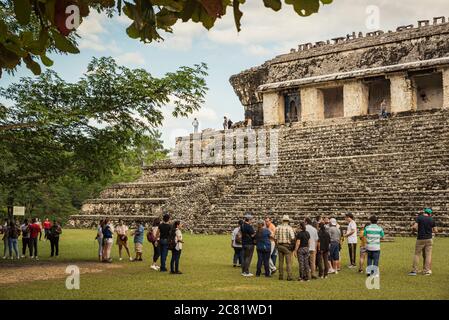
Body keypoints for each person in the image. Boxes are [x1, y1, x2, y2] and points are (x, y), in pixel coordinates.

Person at [409, 208, 437, 276]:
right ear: (430, 213)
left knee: (417, 254)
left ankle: (414, 271)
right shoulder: (432, 219)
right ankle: (426, 270)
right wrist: (429, 231)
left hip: (420, 238)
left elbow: (415, 227)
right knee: (428, 255)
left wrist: (415, 231)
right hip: (429, 239)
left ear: (424, 212)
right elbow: (436, 230)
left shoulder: (419, 218)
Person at [275, 215, 295, 281]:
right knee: (288, 262)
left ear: (282, 220)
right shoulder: (289, 228)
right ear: (288, 221)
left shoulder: (278, 227)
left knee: (280, 262)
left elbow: (275, 238)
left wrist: (276, 245)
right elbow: (292, 238)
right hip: (287, 246)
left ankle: (281, 276)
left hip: (280, 245)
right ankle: (289, 276)